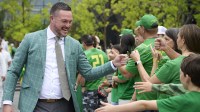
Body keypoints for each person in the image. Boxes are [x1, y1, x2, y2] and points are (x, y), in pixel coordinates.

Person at [2, 2, 127, 112]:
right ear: (52, 18)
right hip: (35, 105)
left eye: (70, 21)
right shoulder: (31, 39)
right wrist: (7, 102)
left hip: (66, 105)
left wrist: (113, 64)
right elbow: (13, 71)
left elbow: (88, 73)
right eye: (64, 21)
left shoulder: (74, 45)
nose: (68, 25)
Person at [95, 54, 200, 112]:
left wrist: (113, 109)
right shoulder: (189, 91)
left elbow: (144, 104)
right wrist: (153, 87)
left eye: (180, 73)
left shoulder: (183, 100)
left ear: (187, 77)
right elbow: (173, 87)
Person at [77, 35, 109, 112]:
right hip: (102, 89)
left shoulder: (84, 55)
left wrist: (82, 86)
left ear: (84, 43)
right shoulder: (103, 53)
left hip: (90, 90)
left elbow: (82, 74)